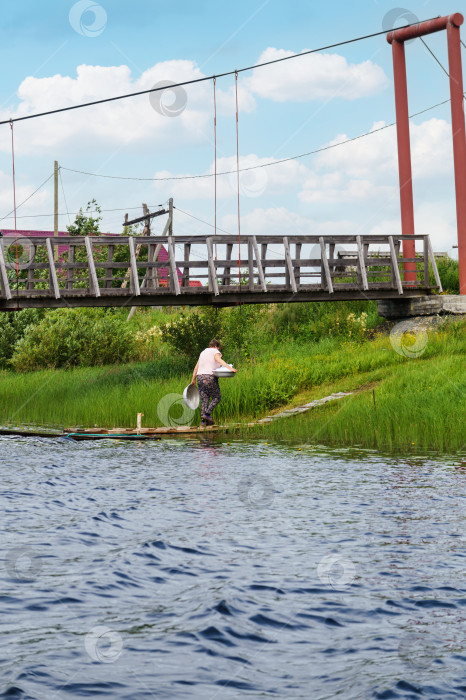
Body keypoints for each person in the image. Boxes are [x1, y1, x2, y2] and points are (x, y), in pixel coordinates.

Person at [191, 339, 237, 426]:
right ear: (216, 346)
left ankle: (203, 422)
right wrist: (230, 368)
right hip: (209, 377)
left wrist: (193, 379)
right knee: (217, 397)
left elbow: (196, 368)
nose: (218, 351)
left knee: (205, 400)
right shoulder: (215, 351)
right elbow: (219, 360)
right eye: (219, 349)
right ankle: (207, 415)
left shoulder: (203, 352)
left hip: (200, 378)